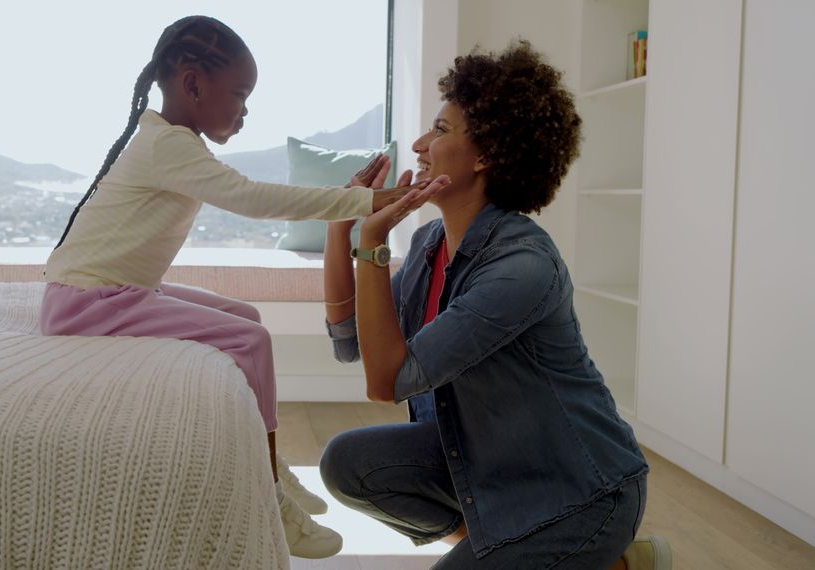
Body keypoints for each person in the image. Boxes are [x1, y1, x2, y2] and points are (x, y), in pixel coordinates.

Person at [40, 15, 433, 559]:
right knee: (253, 342)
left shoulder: (174, 142)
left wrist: (350, 197)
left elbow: (252, 193)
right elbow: (251, 199)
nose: (245, 110)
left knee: (244, 316)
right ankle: (266, 492)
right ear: (194, 85)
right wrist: (363, 202)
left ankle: (268, 464)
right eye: (240, 94)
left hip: (103, 292)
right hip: (87, 304)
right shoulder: (169, 148)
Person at [318, 41, 672, 569]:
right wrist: (339, 224)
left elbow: (386, 382)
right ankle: (509, 548)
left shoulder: (521, 266)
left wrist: (371, 248)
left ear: (485, 155)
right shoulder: (430, 244)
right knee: (348, 463)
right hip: (489, 465)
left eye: (439, 131)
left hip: (577, 492)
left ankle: (609, 558)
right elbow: (349, 340)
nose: (419, 144)